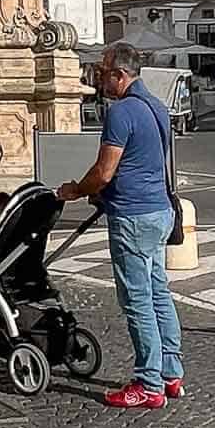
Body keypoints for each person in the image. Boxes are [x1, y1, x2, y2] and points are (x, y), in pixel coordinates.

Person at [58, 43, 184, 409]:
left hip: (133, 217)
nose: (99, 78)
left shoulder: (122, 112)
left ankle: (148, 382)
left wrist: (76, 190)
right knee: (159, 292)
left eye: (103, 72)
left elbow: (104, 171)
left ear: (120, 75)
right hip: (160, 212)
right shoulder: (157, 107)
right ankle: (171, 372)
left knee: (138, 300)